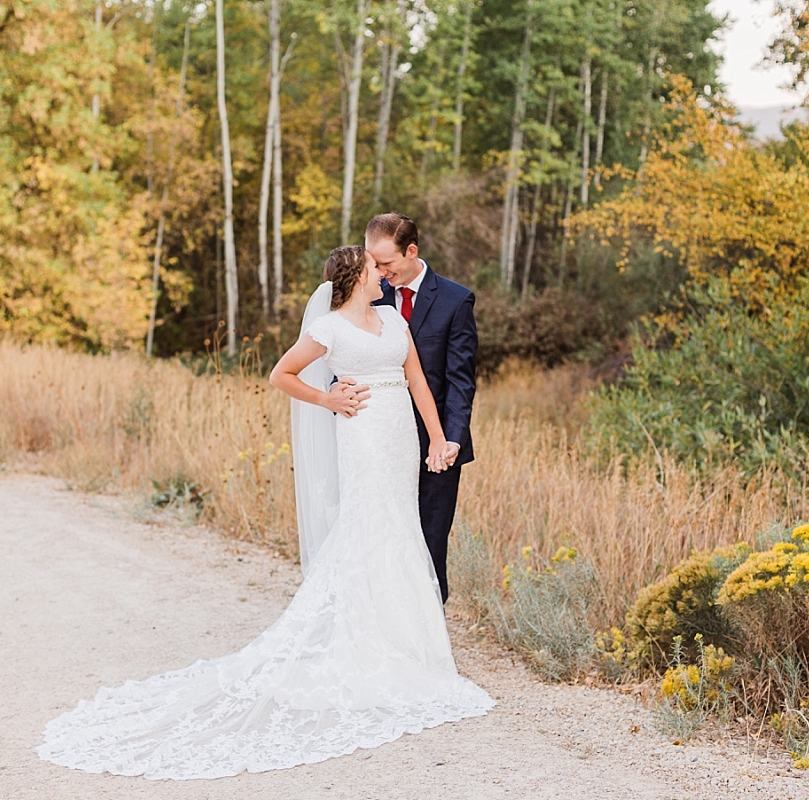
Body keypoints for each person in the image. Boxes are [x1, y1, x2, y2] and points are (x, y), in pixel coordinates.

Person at [36, 246, 492, 781]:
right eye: (374, 270)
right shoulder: (329, 327)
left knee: (402, 529)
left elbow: (418, 380)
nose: (382, 276)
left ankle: (407, 641)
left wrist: (438, 438)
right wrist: (329, 401)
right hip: (363, 435)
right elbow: (282, 374)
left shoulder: (392, 318)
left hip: (400, 436)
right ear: (354, 278)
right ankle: (368, 638)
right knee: (370, 526)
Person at [363, 212, 478, 604]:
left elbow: (460, 381)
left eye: (386, 263)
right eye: (372, 262)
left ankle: (430, 637)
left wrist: (450, 441)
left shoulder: (454, 299)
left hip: (436, 445)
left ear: (411, 251)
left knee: (430, 539)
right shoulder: (366, 293)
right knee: (379, 537)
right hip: (378, 439)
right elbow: (348, 356)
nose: (378, 271)